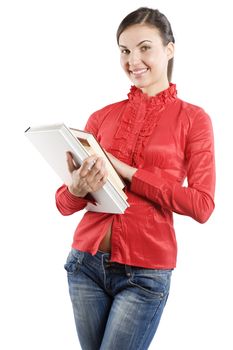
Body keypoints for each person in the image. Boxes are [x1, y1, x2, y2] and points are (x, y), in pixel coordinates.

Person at [55, 7, 215, 350]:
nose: (133, 60)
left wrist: (128, 172)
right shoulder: (102, 117)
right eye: (125, 51)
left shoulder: (194, 120)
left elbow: (202, 206)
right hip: (85, 265)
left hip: (144, 274)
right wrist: (76, 188)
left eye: (145, 48)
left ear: (169, 50)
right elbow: (63, 203)